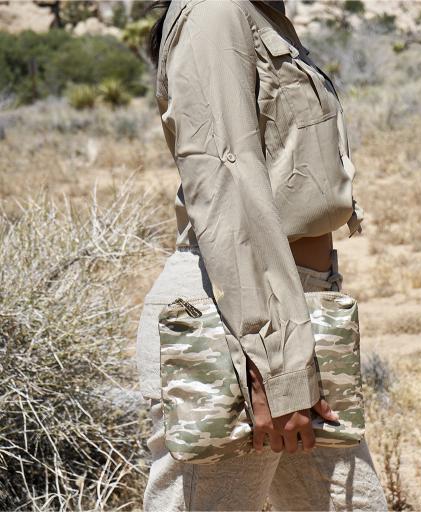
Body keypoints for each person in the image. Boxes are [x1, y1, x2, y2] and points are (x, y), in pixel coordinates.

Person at [135, 0, 387, 509]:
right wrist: (273, 367)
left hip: (292, 313)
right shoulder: (215, 13)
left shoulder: (260, 13)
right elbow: (228, 188)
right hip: (239, 322)